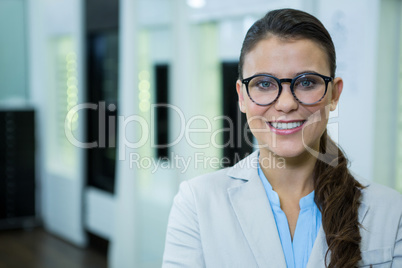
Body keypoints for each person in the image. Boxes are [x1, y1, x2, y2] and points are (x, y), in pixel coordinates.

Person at [162, 8, 402, 268]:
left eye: (307, 82)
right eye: (264, 84)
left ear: (334, 94)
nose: (286, 104)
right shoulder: (197, 203)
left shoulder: (392, 212)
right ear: (242, 97)